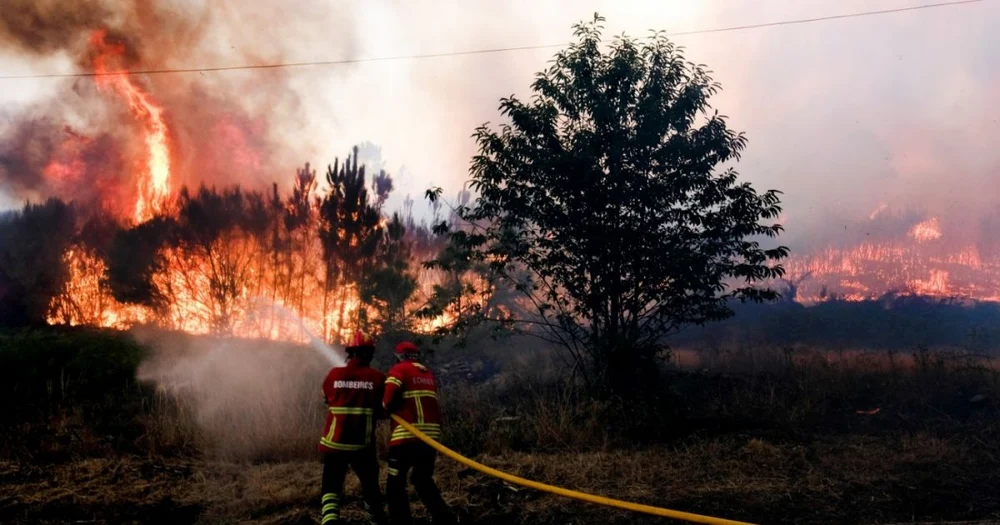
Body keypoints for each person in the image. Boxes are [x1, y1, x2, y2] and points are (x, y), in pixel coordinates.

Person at [318, 330, 388, 525]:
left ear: (349, 352)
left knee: (331, 485)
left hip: (334, 443)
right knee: (370, 485)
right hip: (361, 446)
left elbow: (326, 398)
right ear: (370, 353)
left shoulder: (333, 374)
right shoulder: (377, 378)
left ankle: (330, 520)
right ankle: (376, 519)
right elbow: (383, 409)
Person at [383, 341, 456, 525]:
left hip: (406, 436)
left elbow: (387, 400)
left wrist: (385, 406)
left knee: (395, 483)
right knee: (422, 479)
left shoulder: (399, 370)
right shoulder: (427, 374)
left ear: (399, 356)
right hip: (430, 437)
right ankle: (444, 518)